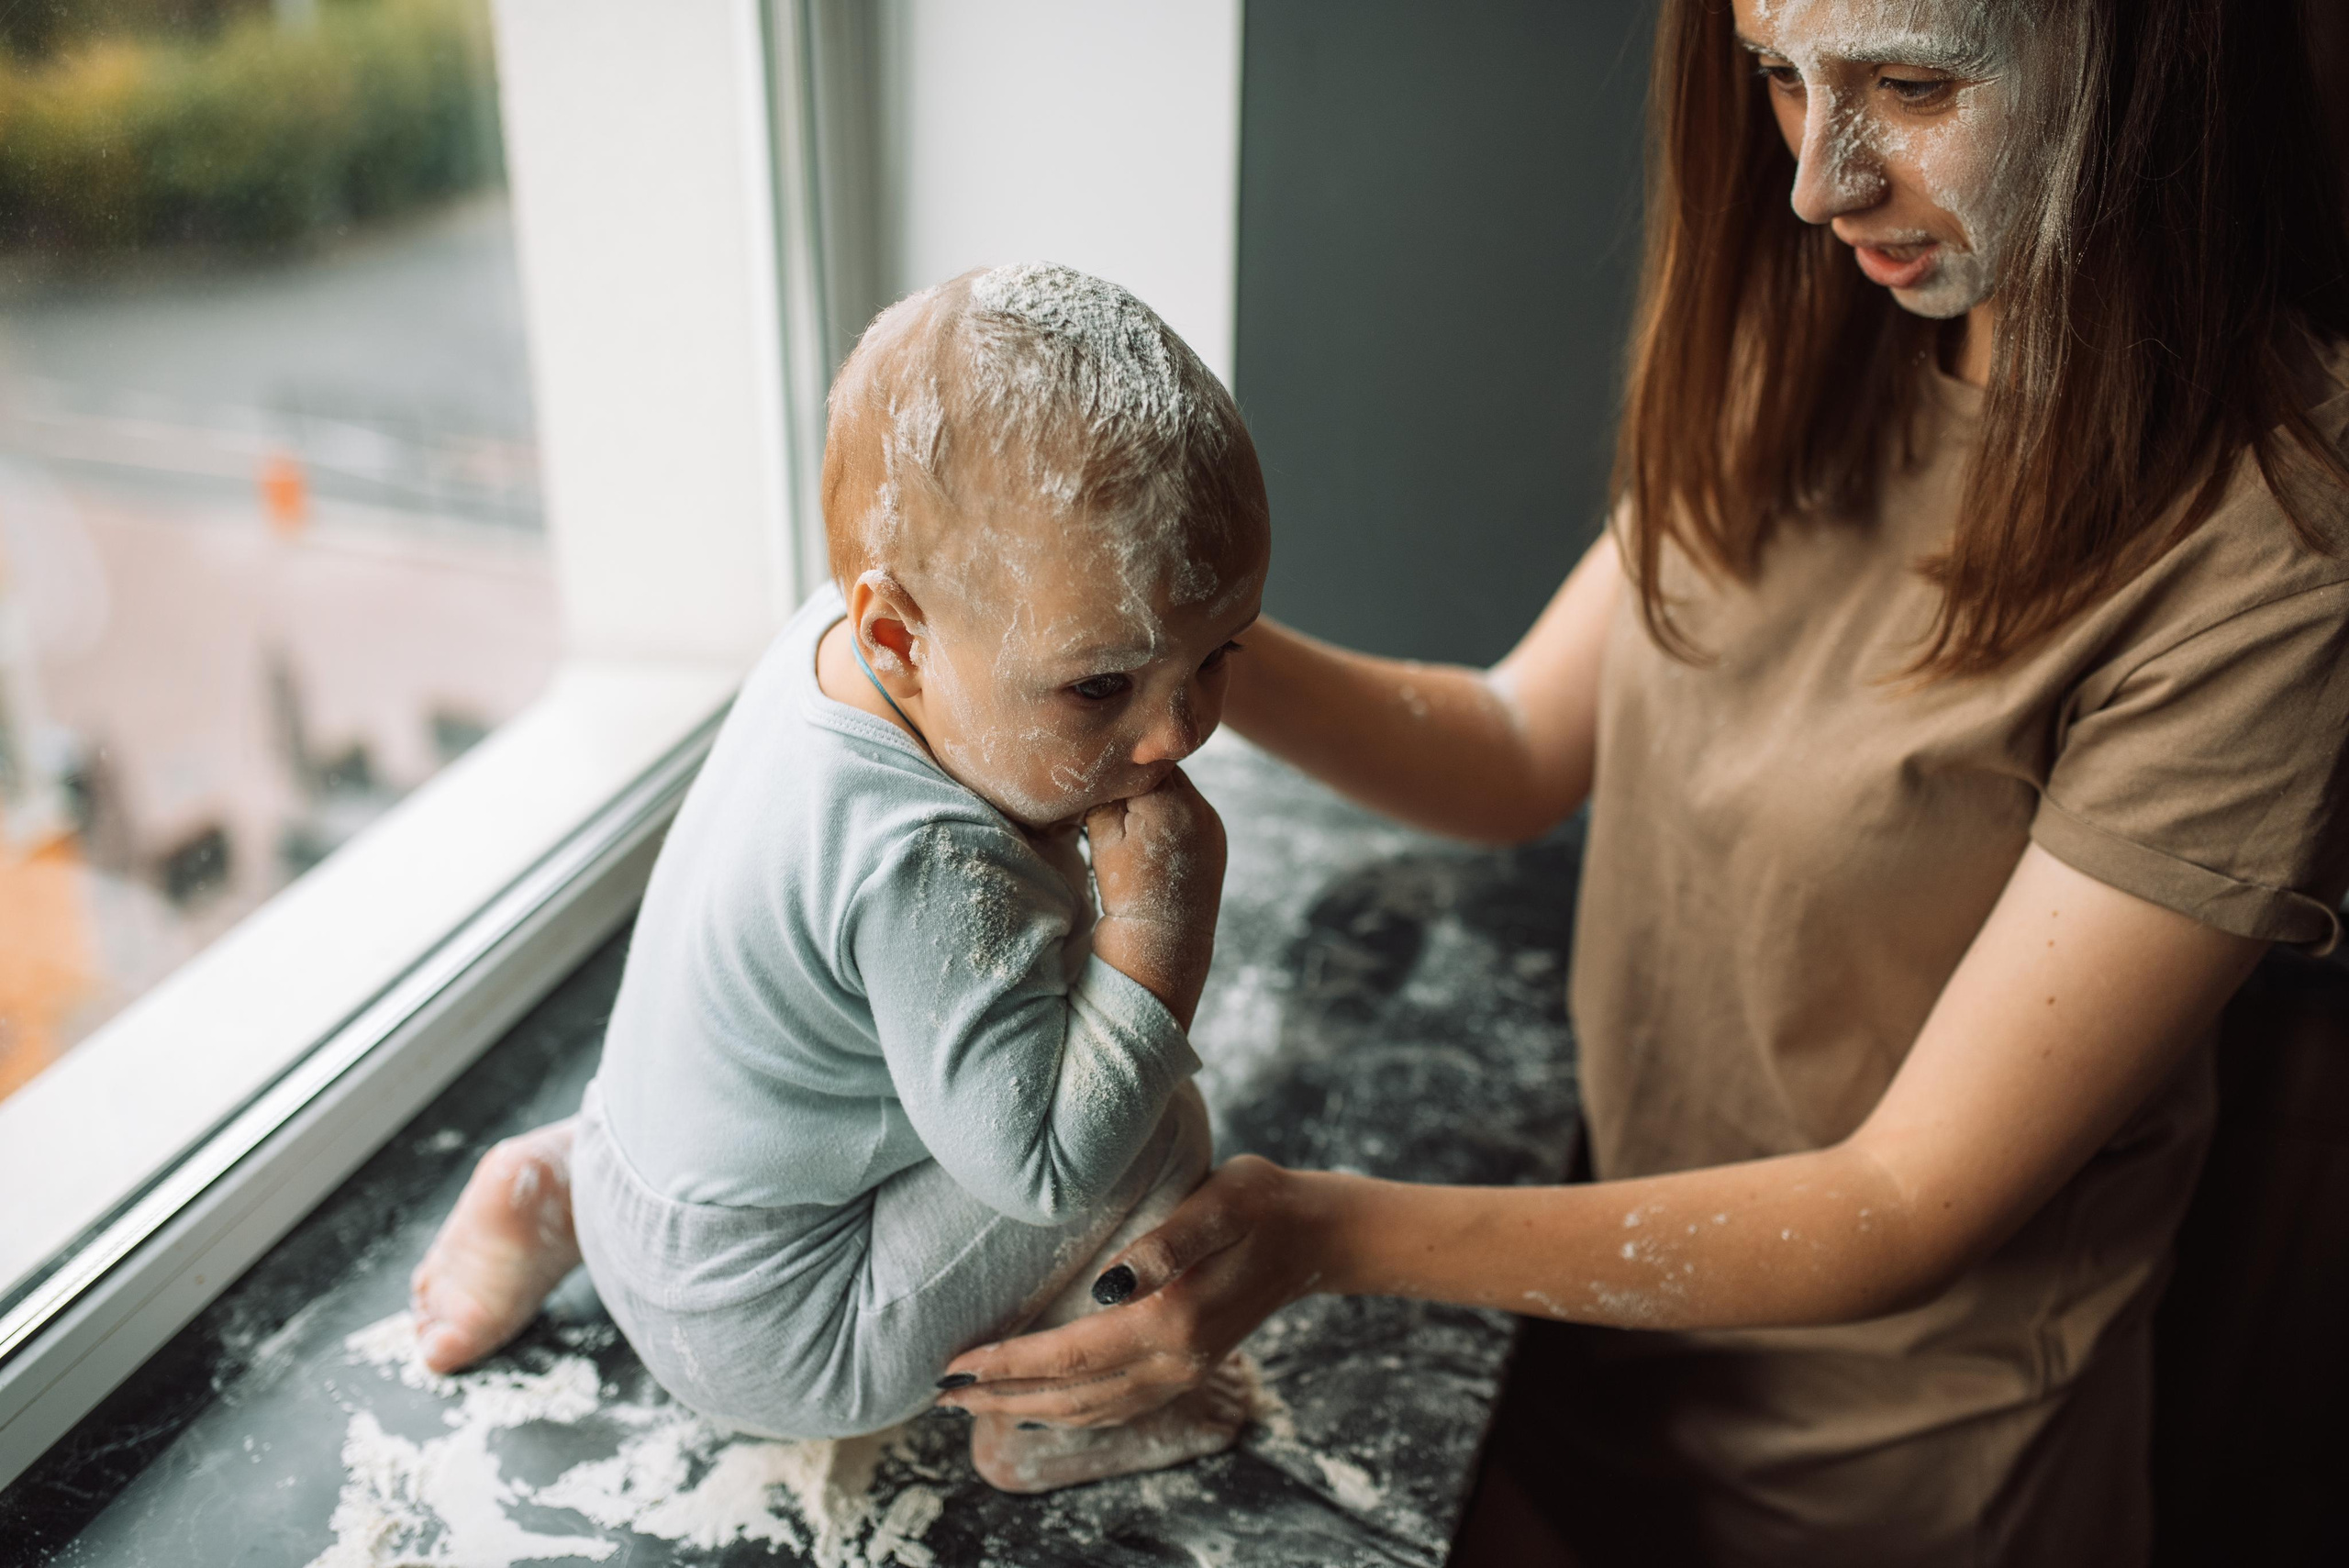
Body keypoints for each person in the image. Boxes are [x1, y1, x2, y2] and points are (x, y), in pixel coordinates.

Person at [919, 0, 2349, 1562]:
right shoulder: (1816, 335)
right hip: (1578, 1343)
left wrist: (1324, 1229)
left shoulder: (2273, 545)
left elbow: (1903, 1200)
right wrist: (1137, 645)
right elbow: (1517, 749)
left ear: (2154, 57)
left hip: (1891, 1486)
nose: (1821, 181)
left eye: (1917, 83)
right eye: (1779, 80)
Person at [410, 261, 1269, 1494]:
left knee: (804, 1081)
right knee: (1150, 1131)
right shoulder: (927, 857)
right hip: (782, 1334)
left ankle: (548, 1195)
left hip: (648, 1191)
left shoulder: (842, 643)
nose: (1178, 731)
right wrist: (1156, 931)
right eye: (1102, 684)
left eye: (1217, 655)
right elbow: (1044, 1168)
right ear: (898, 638)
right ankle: (1046, 1420)